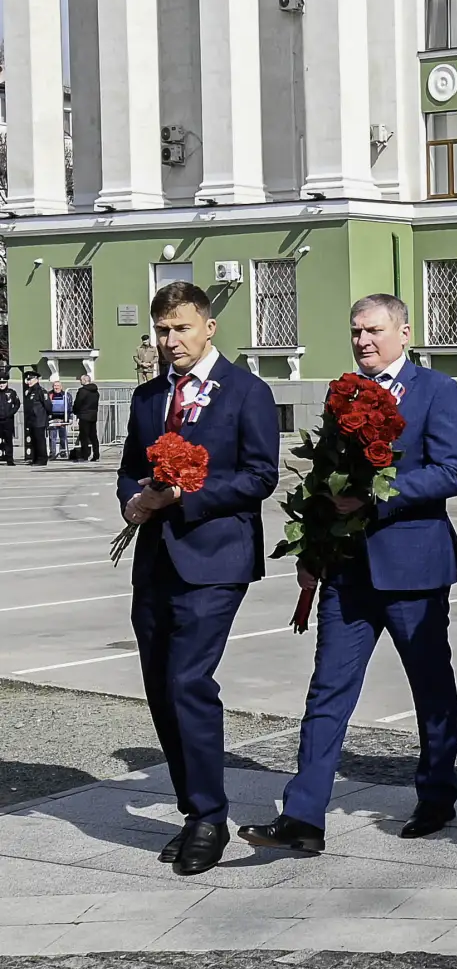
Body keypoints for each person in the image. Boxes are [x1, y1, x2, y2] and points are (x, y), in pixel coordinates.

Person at [239, 295, 457, 854]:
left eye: (373, 330)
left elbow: (452, 472)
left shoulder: (436, 391)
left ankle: (437, 794)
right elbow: (326, 474)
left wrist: (375, 495)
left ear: (404, 332)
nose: (362, 340)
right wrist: (313, 547)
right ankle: (303, 817)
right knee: (328, 690)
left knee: (430, 686)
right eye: (355, 331)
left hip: (413, 569)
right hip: (347, 570)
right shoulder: (342, 392)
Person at [119, 282, 280, 875]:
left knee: (189, 680)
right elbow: (130, 469)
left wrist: (186, 496)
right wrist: (133, 504)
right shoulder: (147, 397)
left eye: (181, 328)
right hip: (156, 557)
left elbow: (260, 476)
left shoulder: (246, 392)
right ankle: (193, 811)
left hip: (215, 558)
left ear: (208, 327)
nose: (170, 341)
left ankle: (211, 815)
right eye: (162, 330)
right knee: (161, 685)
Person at [21, 370, 50, 465]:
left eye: (30, 379)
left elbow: (48, 406)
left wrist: (45, 417)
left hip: (39, 420)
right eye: (27, 379)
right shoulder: (29, 392)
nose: (28, 381)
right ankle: (35, 458)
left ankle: (42, 459)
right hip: (32, 420)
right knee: (33, 440)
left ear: (36, 380)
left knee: (40, 440)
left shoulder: (41, 391)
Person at [72, 373, 101, 462]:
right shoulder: (95, 391)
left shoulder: (82, 391)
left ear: (85, 380)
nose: (80, 381)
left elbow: (78, 402)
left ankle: (84, 455)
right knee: (93, 436)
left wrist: (75, 411)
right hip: (93, 415)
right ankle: (96, 454)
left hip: (84, 415)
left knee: (84, 436)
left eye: (81, 380)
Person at [45, 379, 70, 458]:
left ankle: (63, 452)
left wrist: (69, 417)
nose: (56, 387)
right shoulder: (49, 395)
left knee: (63, 437)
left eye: (58, 386)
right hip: (52, 419)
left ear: (61, 387)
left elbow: (69, 406)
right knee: (52, 438)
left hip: (63, 419)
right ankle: (53, 453)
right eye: (55, 386)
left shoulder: (66, 395)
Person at [0, 376, 17, 465]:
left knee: (8, 440)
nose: (1, 385)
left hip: (8, 421)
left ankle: (9, 459)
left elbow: (17, 404)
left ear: (6, 383)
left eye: (3, 383)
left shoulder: (11, 392)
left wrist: (11, 413)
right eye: (0, 383)